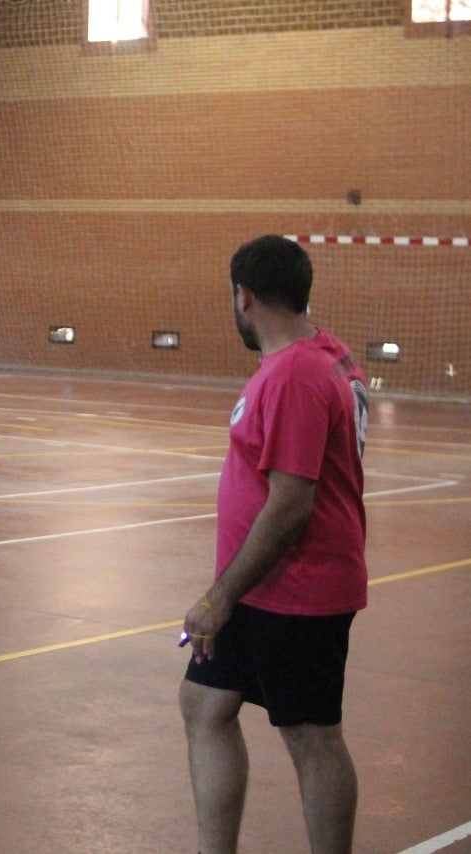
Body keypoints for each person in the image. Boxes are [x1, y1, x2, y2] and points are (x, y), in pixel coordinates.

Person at [179, 235, 369, 854]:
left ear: (245, 297)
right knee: (205, 705)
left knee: (312, 738)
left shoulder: (293, 376)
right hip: (260, 588)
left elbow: (292, 503)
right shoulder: (326, 354)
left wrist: (218, 596)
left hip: (294, 589)